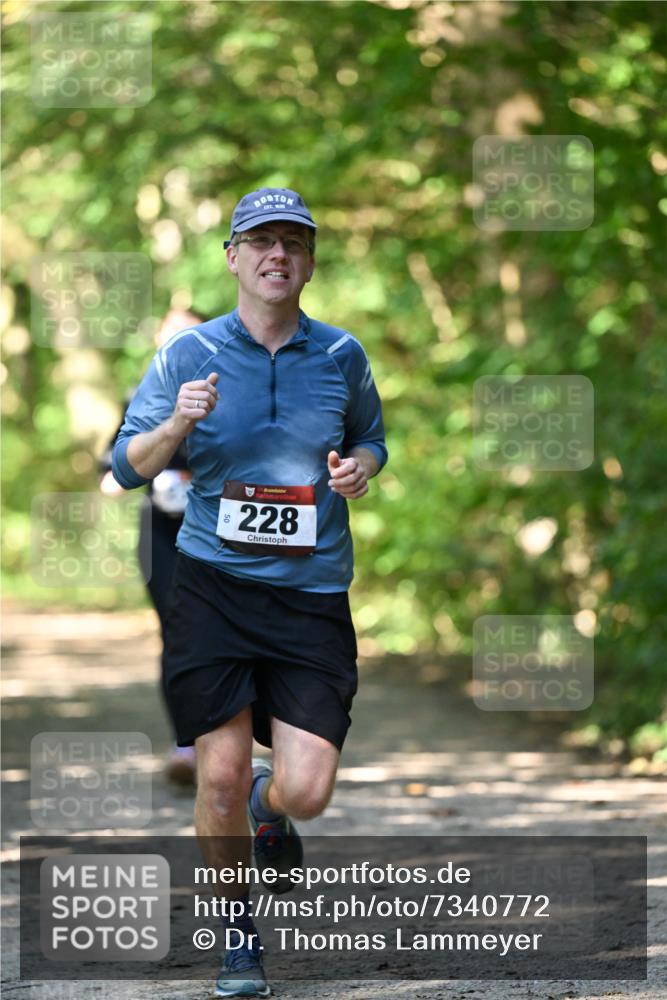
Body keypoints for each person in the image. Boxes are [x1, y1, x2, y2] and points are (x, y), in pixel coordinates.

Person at [111, 187, 387, 998]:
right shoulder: (186, 355)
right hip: (212, 589)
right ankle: (237, 936)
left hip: (309, 596)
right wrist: (176, 426)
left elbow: (370, 436)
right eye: (260, 242)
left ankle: (274, 809)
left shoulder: (342, 355)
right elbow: (127, 465)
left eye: (292, 244)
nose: (277, 256)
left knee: (308, 789)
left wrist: (359, 468)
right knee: (218, 775)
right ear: (232, 257)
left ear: (308, 261)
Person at [101, 309, 203, 786]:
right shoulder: (142, 395)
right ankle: (187, 742)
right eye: (169, 337)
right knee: (178, 634)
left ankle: (234, 736)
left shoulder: (233, 390)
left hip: (224, 532)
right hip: (162, 536)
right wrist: (124, 476)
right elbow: (114, 467)